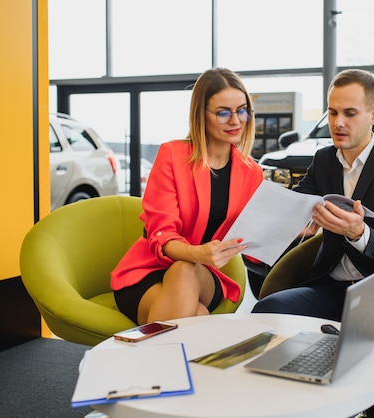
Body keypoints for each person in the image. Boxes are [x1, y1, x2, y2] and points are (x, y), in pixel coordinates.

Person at [252, 69, 374, 418]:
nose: (338, 122)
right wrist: (294, 223)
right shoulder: (323, 160)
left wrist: (358, 233)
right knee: (267, 310)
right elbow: (298, 209)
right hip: (333, 284)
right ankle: (295, 407)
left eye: (350, 113)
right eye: (332, 113)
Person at [111, 67, 263, 325]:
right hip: (148, 272)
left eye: (242, 110)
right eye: (223, 112)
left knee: (186, 270)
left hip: (204, 275)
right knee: (197, 315)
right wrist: (199, 253)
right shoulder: (172, 155)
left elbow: (254, 243)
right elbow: (162, 236)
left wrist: (296, 230)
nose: (235, 121)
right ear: (201, 115)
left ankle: (141, 362)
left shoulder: (252, 172)